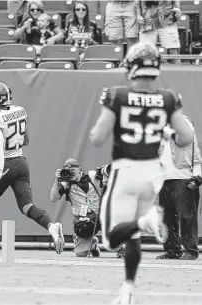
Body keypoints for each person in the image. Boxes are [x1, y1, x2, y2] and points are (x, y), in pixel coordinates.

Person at [89, 42, 194, 304]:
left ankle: (143, 224)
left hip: (125, 171)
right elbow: (187, 136)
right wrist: (164, 130)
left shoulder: (117, 95)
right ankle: (127, 290)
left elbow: (98, 138)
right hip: (153, 175)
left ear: (132, 67)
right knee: (133, 236)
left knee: (113, 239)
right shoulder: (168, 98)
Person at [0, 81, 65, 260]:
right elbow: (26, 140)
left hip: (5, 164)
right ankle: (51, 226)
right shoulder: (19, 110)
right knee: (27, 206)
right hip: (21, 163)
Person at [156, 116, 202, 260]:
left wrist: (197, 175)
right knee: (166, 217)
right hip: (165, 179)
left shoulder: (182, 123)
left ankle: (191, 250)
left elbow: (185, 141)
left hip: (183, 177)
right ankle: (172, 250)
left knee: (186, 216)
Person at [50, 159, 109, 257]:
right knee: (80, 254)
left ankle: (122, 247)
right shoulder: (66, 184)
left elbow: (108, 171)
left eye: (72, 171)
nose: (71, 174)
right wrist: (57, 180)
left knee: (114, 225)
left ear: (79, 170)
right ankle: (92, 243)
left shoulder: (92, 176)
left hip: (101, 215)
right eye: (68, 171)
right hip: (85, 221)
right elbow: (53, 198)